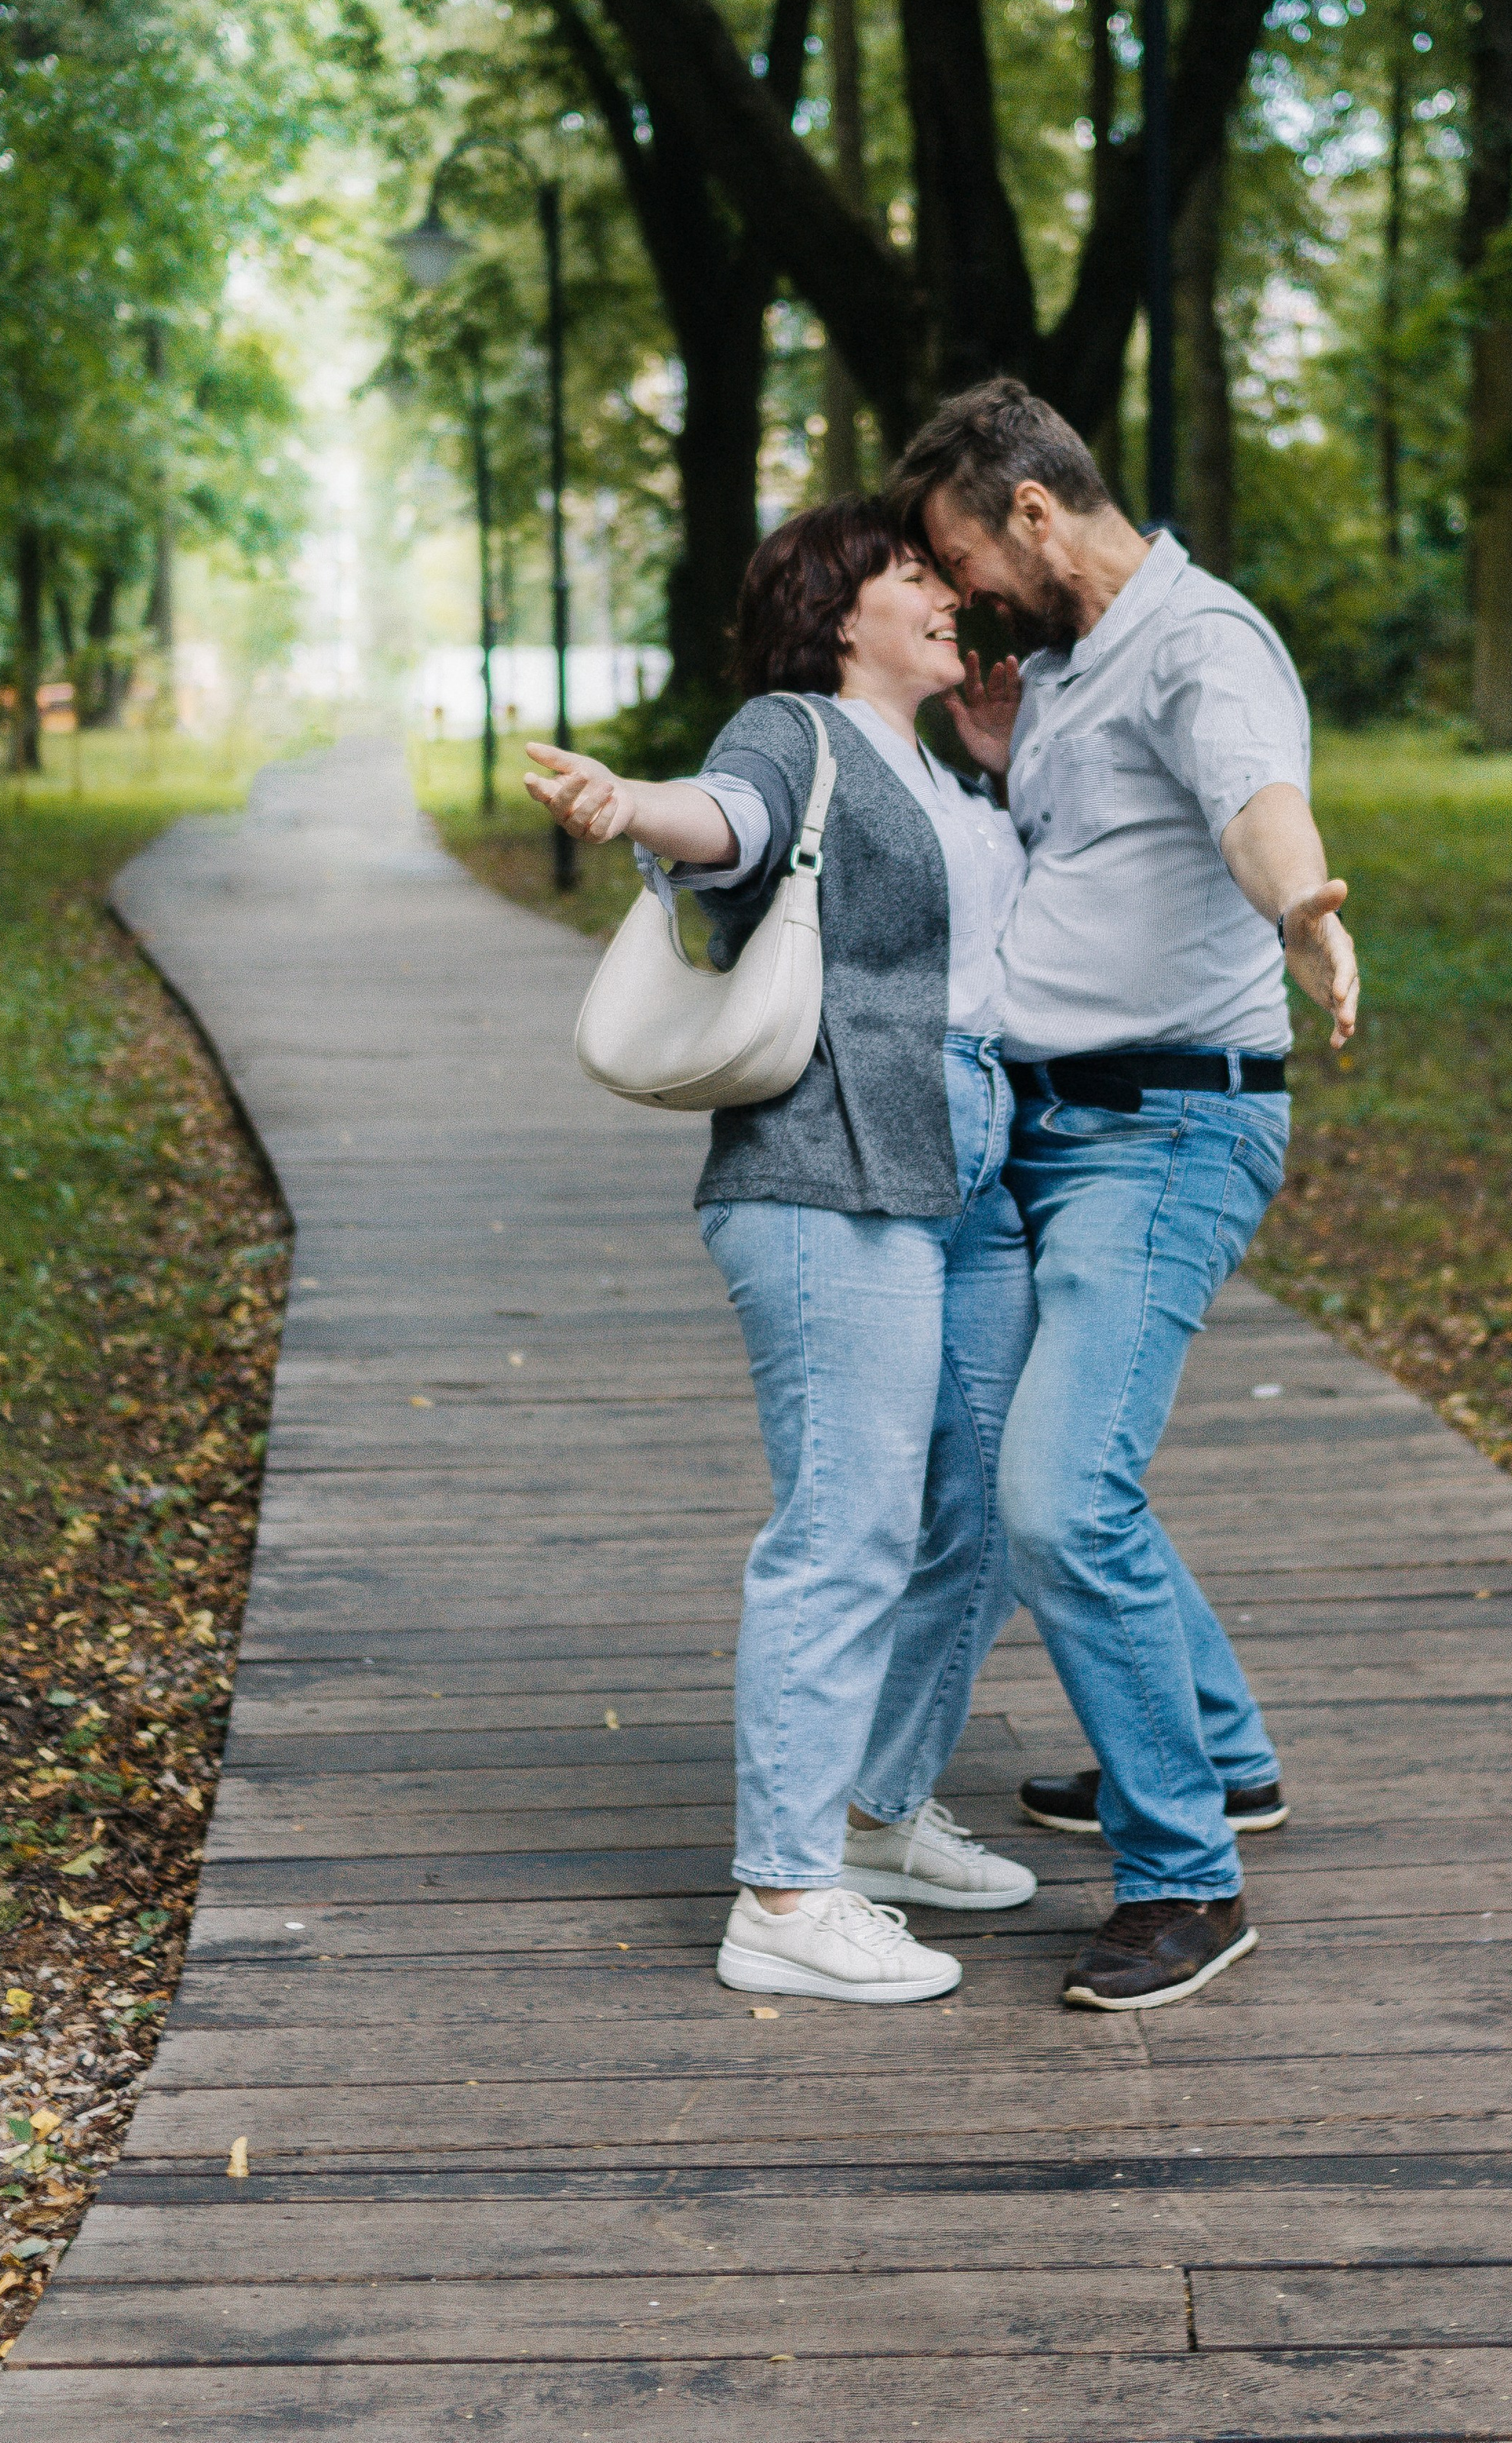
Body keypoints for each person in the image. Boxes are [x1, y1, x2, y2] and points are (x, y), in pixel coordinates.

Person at [525, 500, 1041, 2006]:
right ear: (834, 610)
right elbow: (727, 820)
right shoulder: (793, 729)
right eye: (912, 574)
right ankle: (783, 1889)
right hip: (825, 1175)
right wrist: (634, 807)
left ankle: (871, 1817)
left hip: (968, 1173)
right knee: (847, 1523)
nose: (951, 595)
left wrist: (1003, 766)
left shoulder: (949, 767)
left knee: (994, 1509)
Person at [892, 379, 1361, 2013]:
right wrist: (1013, 764)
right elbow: (1095, 858)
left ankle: (1184, 1880)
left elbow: (1250, 799)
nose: (953, 599)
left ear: (1034, 510)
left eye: (961, 557)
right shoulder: (1076, 671)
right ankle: (1215, 1755)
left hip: (1159, 1132)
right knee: (1060, 1478)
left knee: (1055, 1497)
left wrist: (1300, 904)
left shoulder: (1196, 644)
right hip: (1055, 1131)